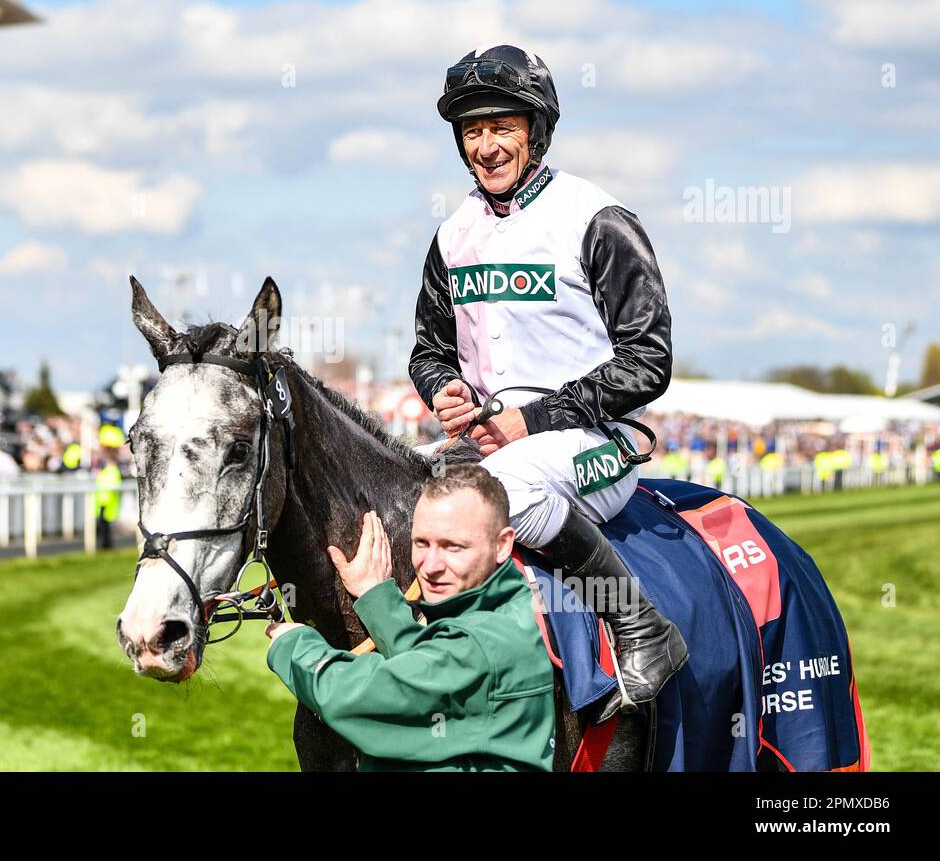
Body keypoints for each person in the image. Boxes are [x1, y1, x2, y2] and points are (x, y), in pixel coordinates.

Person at [408, 44, 686, 722]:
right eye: (472, 131)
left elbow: (649, 360)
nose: (486, 145)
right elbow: (427, 348)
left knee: (508, 491)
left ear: (535, 130)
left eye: (501, 126)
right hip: (487, 444)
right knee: (397, 494)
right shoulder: (452, 235)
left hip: (595, 444)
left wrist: (530, 422)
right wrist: (444, 388)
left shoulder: (599, 219)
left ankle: (642, 626)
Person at [265, 464, 554, 771]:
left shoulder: (482, 646)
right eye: (421, 543)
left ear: (502, 544)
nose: (430, 566)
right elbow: (430, 666)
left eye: (452, 546)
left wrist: (295, 646)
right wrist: (377, 597)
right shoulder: (505, 608)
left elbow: (356, 696)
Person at [93, 451, 122, 549]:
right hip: (103, 502)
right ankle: (104, 545)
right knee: (103, 527)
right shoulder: (106, 471)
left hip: (107, 502)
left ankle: (106, 546)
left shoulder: (112, 471)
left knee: (106, 527)